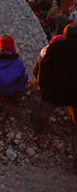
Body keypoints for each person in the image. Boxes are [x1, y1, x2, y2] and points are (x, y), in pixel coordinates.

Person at [31, 23, 77, 174]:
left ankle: (37, 132)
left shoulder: (57, 47)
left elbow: (44, 68)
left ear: (65, 34)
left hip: (56, 88)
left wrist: (41, 85)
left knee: (43, 112)